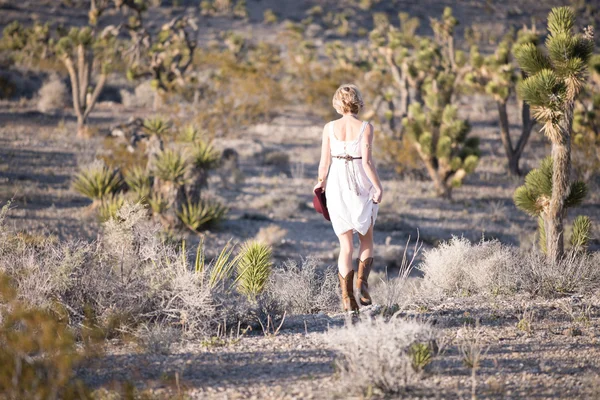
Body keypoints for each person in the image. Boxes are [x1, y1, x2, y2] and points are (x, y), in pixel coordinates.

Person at [314, 84, 383, 312]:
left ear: (337, 102)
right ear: (358, 101)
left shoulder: (329, 127)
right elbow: (367, 163)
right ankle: (361, 286)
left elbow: (324, 162)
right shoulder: (366, 127)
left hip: (337, 184)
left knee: (345, 246)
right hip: (360, 184)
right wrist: (378, 186)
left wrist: (320, 182)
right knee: (367, 239)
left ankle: (346, 298)